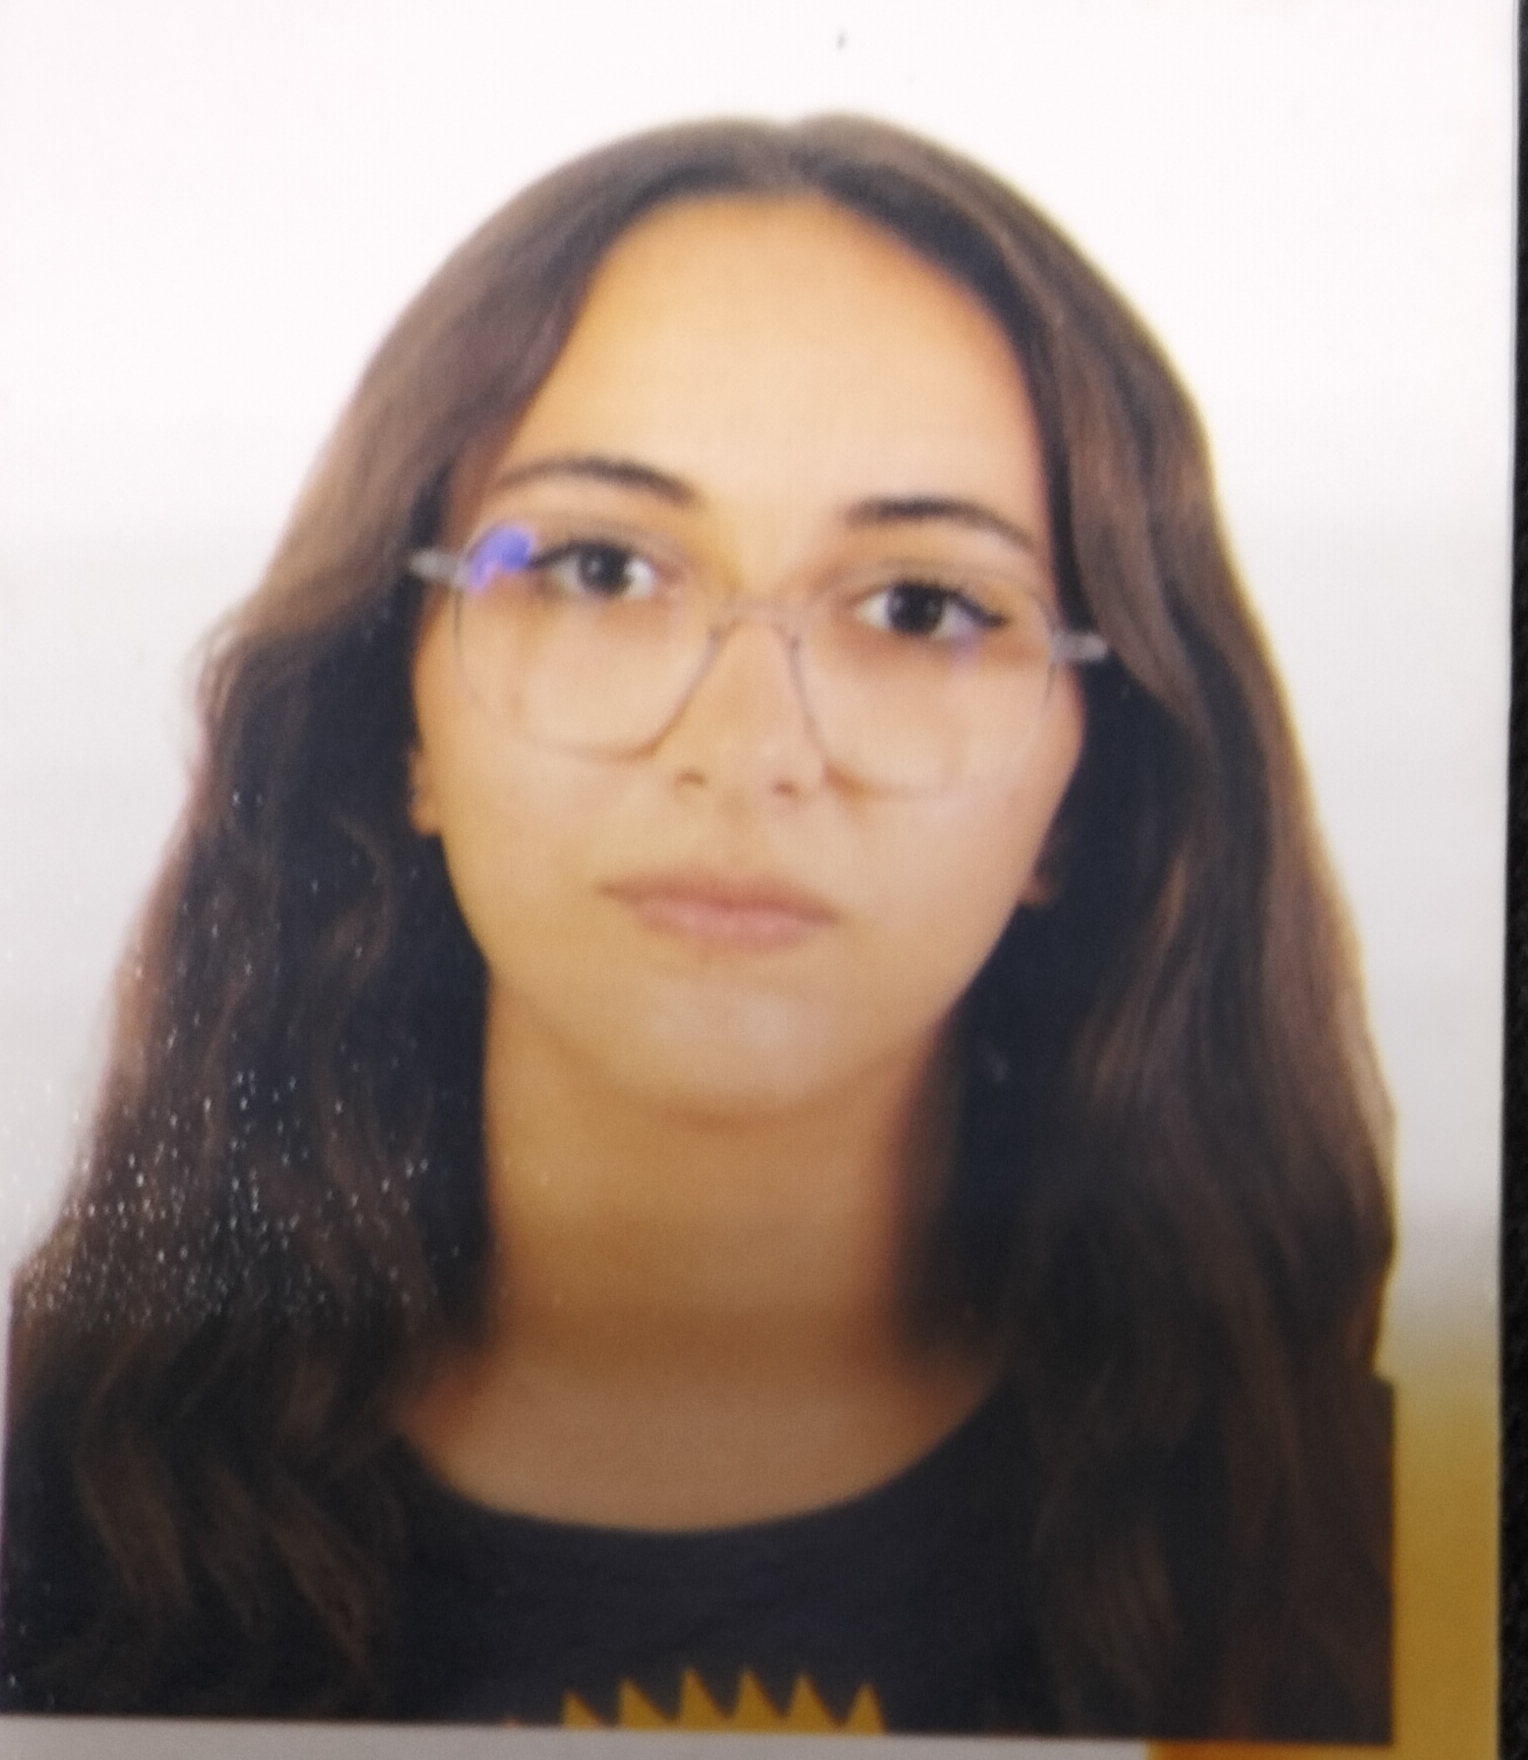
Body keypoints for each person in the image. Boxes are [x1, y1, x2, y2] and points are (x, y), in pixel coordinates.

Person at [0, 116, 1393, 1738]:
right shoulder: (51, 1511)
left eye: (920, 607)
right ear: (398, 716)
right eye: (599, 569)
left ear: (1090, 801)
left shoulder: (1375, 1548)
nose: (747, 748)